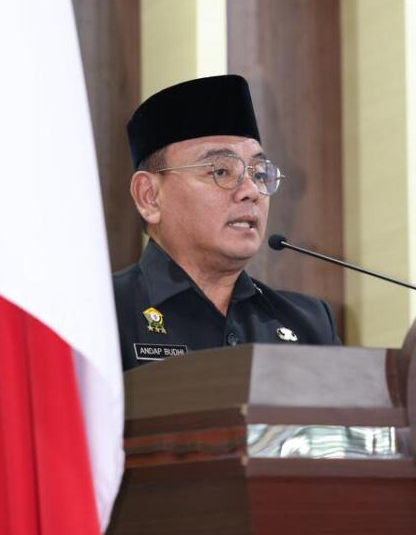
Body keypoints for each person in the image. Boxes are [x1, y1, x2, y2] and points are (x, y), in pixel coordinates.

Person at [113, 74, 339, 369]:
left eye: (259, 173)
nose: (251, 191)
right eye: (220, 171)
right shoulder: (102, 313)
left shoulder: (309, 325)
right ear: (150, 197)